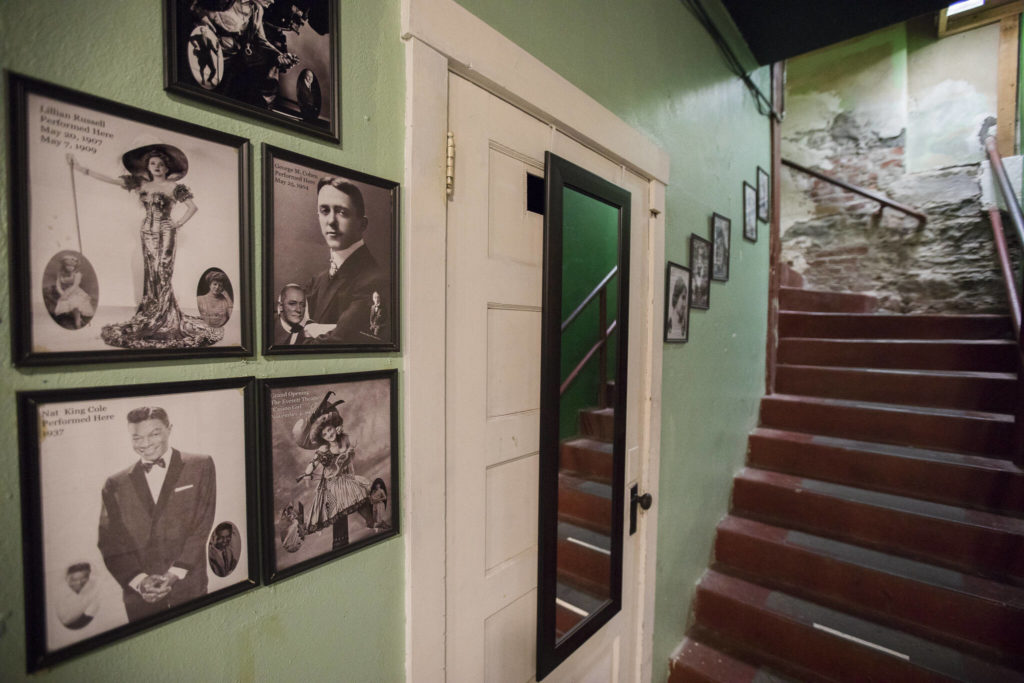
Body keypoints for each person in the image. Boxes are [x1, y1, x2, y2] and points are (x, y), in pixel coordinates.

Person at [68, 145, 223, 349]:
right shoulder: (140, 184)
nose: (157, 167)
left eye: (161, 164)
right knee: (151, 273)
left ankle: (166, 315)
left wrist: (177, 223)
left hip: (165, 231)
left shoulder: (173, 187)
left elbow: (193, 208)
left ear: (167, 168)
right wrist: (81, 168)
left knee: (163, 270)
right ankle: (152, 312)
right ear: (148, 167)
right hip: (146, 232)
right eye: (153, 164)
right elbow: (112, 180)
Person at [97, 407, 216, 622]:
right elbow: (110, 542)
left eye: (154, 433)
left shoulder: (201, 465)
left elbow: (202, 526)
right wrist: (140, 580)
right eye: (137, 437)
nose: (145, 443)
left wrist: (174, 573)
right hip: (141, 598)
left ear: (169, 430)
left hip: (189, 587)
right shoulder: (114, 484)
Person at [302, 177, 388, 345]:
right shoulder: (318, 280)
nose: (331, 221)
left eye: (342, 212)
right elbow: (281, 323)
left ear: (362, 224)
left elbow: (333, 344)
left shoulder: (373, 280)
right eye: (325, 210)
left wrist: (308, 329)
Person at [192, 0, 299, 107]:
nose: (272, 1)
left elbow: (260, 40)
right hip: (199, 48)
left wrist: (279, 54)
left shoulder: (257, 10)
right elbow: (196, 8)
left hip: (223, 63)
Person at [297, 410, 372, 549]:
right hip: (331, 485)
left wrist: (342, 435)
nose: (329, 434)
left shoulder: (343, 439)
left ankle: (372, 522)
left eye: (330, 430)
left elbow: (350, 453)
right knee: (338, 512)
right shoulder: (324, 448)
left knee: (360, 496)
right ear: (322, 437)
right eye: (324, 434)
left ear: (335, 427)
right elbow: (313, 463)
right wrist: (307, 474)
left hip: (344, 479)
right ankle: (339, 543)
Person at [50, 253, 95, 329]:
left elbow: (75, 285)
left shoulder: (77, 274)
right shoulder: (60, 273)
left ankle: (77, 321)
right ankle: (79, 319)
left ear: (75, 266)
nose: (70, 268)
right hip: (64, 292)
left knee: (75, 302)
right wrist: (62, 293)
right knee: (66, 303)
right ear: (64, 266)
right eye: (68, 265)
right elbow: (58, 285)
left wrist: (67, 294)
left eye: (72, 266)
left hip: (76, 291)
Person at [56, 562, 102, 630]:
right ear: (67, 579)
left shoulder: (92, 594)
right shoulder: (64, 597)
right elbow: (65, 619)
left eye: (83, 579)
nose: (78, 583)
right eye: (74, 580)